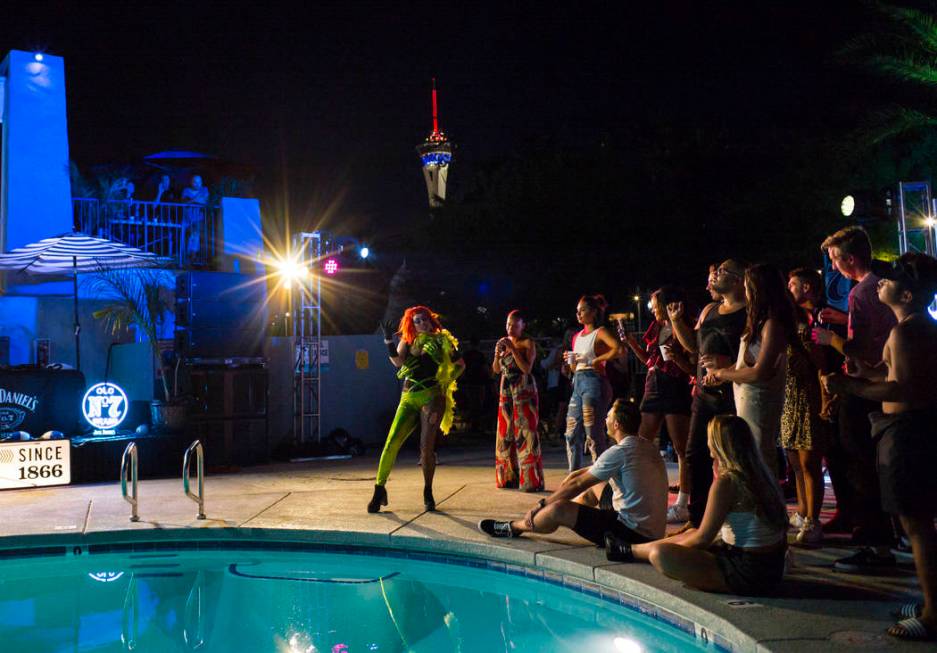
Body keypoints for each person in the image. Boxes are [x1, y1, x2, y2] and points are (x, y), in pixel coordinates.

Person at [822, 253, 937, 641]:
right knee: (916, 522)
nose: (880, 284)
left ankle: (934, 613)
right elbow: (890, 373)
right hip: (904, 429)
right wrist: (865, 372)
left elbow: (901, 388)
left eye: (888, 281)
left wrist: (850, 386)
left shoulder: (909, 331)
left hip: (908, 430)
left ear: (905, 293)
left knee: (917, 525)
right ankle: (928, 600)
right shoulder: (909, 327)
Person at [606, 416, 788, 596]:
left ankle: (632, 550)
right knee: (690, 533)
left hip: (747, 572)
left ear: (718, 443)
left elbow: (703, 539)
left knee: (661, 555)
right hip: (772, 567)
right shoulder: (762, 474)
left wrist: (678, 551)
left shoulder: (728, 482)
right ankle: (629, 550)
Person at [813, 226, 897, 572]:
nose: (832, 268)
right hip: (884, 387)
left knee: (859, 466)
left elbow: (859, 349)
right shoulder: (881, 289)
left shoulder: (860, 294)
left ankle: (873, 545)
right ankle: (886, 537)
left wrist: (828, 338)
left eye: (834, 259)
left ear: (849, 258)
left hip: (863, 388)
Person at [477, 399, 667, 545]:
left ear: (616, 424)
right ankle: (561, 516)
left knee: (559, 508)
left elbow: (578, 485)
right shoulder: (644, 446)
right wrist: (570, 480)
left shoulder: (620, 452)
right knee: (597, 485)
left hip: (632, 534)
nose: (605, 419)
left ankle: (515, 527)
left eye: (608, 416)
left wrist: (542, 504)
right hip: (651, 530)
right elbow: (584, 475)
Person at [669, 260, 748, 528]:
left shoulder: (748, 313)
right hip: (705, 392)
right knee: (695, 453)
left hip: (733, 393)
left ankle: (737, 516)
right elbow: (693, 346)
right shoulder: (710, 309)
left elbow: (757, 355)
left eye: (723, 271)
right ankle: (698, 517)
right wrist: (676, 322)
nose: (714, 275)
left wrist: (729, 366)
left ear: (738, 280)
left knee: (734, 457)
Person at [369, 306, 464, 513]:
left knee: (425, 447)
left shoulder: (442, 340)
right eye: (416, 321)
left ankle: (428, 491)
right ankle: (379, 489)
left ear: (431, 320)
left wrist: (446, 380)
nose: (420, 323)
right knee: (391, 442)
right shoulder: (408, 340)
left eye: (423, 319)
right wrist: (388, 341)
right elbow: (397, 362)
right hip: (408, 397)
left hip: (432, 397)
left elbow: (460, 365)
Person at [703, 264, 794, 478]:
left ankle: (770, 509)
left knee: (760, 457)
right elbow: (746, 362)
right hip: (745, 398)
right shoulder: (759, 321)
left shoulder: (772, 324)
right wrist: (722, 371)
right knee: (750, 457)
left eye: (747, 287)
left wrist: (723, 374)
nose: (745, 292)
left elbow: (759, 372)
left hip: (760, 399)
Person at [621, 286, 694, 524]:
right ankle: (639, 495)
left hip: (675, 385)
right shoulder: (656, 327)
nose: (651, 309)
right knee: (639, 442)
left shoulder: (682, 325)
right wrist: (631, 342)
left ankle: (682, 504)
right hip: (653, 385)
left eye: (654, 304)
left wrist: (677, 357)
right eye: (650, 305)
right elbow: (649, 360)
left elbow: (690, 364)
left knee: (682, 448)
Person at [783, 268, 831, 547]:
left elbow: (821, 363)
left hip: (807, 394)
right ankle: (802, 512)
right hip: (788, 396)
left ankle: (814, 520)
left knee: (809, 461)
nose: (789, 290)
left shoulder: (812, 322)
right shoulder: (790, 322)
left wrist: (824, 397)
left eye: (792, 284)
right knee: (794, 462)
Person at [563, 295, 623, 471]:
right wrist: (570, 362)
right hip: (578, 383)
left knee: (593, 434)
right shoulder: (576, 336)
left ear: (593, 312)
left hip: (594, 382)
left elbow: (619, 349)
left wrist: (597, 360)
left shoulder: (601, 332)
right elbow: (575, 368)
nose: (578, 314)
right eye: (577, 311)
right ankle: (574, 476)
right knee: (571, 433)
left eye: (582, 310)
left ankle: (600, 480)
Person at [493, 310, 544, 491]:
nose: (510, 328)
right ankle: (508, 477)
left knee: (526, 432)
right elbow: (497, 370)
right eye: (508, 324)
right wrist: (497, 355)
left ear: (523, 326)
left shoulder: (527, 343)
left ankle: (531, 480)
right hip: (506, 390)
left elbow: (526, 369)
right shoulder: (503, 343)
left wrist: (513, 349)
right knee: (505, 432)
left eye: (515, 325)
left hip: (524, 389)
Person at [182, 175, 210, 259]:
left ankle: (193, 255)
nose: (197, 184)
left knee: (196, 235)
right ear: (191, 182)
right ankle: (185, 256)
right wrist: (197, 199)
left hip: (198, 218)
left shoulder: (204, 190)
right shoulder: (186, 190)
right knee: (188, 236)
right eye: (195, 182)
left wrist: (192, 200)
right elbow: (184, 202)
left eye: (199, 182)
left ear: (201, 183)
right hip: (187, 218)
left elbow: (205, 201)